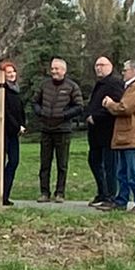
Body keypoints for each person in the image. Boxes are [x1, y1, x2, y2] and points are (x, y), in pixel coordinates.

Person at [34, 58, 84, 202]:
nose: (54, 71)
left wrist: (64, 115)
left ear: (64, 70)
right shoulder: (44, 85)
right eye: (52, 69)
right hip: (46, 129)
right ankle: (44, 192)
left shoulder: (72, 87)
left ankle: (60, 192)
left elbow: (79, 106)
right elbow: (35, 102)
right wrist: (40, 112)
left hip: (63, 129)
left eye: (57, 69)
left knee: (62, 164)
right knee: (45, 164)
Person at [104, 58, 135, 211]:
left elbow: (125, 108)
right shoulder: (131, 87)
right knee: (122, 172)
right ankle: (121, 201)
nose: (123, 72)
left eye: (125, 70)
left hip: (132, 136)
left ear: (134, 71)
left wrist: (110, 104)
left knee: (134, 172)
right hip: (125, 136)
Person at [85, 55, 124, 208]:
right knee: (94, 161)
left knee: (110, 165)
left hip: (108, 130)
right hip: (94, 132)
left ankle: (110, 196)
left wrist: (96, 116)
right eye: (96, 65)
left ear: (110, 67)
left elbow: (115, 105)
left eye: (102, 65)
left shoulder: (114, 83)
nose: (98, 68)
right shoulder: (99, 84)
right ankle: (102, 192)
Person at [0, 59, 24, 205]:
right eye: (8, 72)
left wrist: (22, 125)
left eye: (13, 71)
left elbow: (19, 111)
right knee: (0, 162)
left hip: (14, 133)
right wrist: (17, 126)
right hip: (4, 132)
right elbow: (4, 114)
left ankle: (4, 192)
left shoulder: (15, 91)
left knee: (13, 161)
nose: (12, 74)